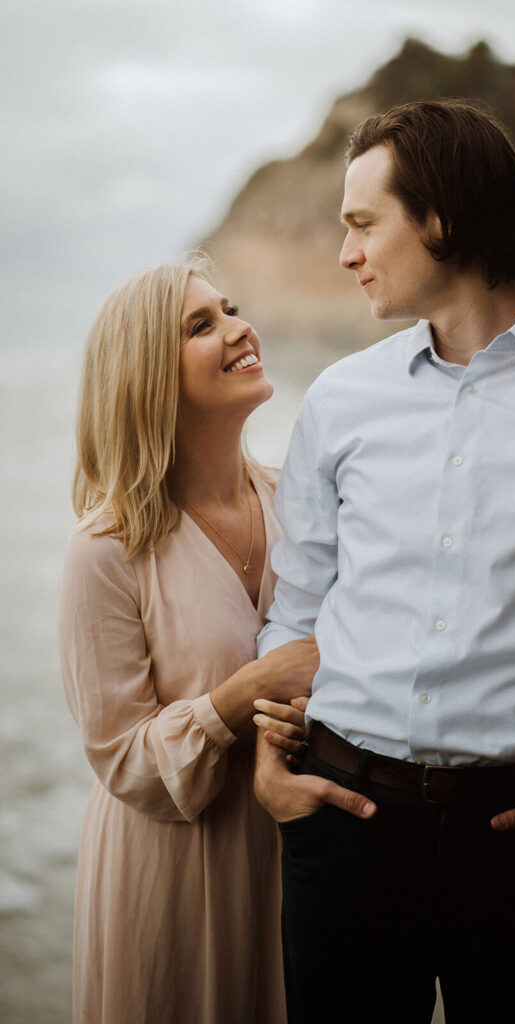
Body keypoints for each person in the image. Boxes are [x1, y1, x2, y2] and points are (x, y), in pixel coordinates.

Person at [253, 100, 515, 1024]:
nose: (345, 253)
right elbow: (298, 606)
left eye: (363, 223)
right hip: (345, 824)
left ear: (440, 219)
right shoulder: (341, 399)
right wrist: (269, 762)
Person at [57, 256, 317, 1023]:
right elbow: (119, 757)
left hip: (295, 851)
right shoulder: (106, 550)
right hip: (172, 868)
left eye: (230, 308)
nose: (240, 328)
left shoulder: (298, 502)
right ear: (147, 377)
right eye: (201, 325)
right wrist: (243, 695)